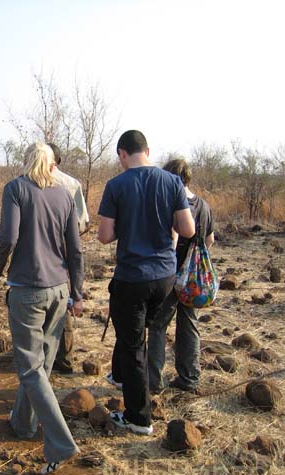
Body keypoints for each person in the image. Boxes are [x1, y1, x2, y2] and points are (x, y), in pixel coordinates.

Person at [0, 142, 84, 475]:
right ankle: (23, 424)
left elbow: (9, 238)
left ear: (27, 161)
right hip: (59, 291)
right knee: (41, 364)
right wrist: (78, 291)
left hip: (27, 290)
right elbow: (75, 249)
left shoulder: (15, 189)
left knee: (30, 368)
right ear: (51, 164)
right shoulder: (63, 194)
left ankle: (60, 442)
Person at [97, 130, 195, 435]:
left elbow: (104, 236)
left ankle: (139, 418)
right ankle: (140, 386)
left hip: (132, 278)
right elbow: (187, 229)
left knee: (132, 346)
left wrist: (126, 226)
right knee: (148, 336)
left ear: (122, 154)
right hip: (165, 278)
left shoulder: (116, 185)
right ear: (148, 151)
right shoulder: (173, 182)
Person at [148, 159, 214, 394]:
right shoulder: (204, 206)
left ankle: (153, 382)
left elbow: (172, 237)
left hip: (169, 274)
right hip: (193, 280)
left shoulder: (171, 203)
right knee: (189, 325)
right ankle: (189, 379)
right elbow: (209, 240)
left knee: (157, 325)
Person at [47, 143, 90, 374]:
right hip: (65, 250)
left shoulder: (24, 182)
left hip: (38, 254)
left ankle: (44, 356)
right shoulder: (71, 184)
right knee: (63, 304)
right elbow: (82, 223)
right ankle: (63, 359)